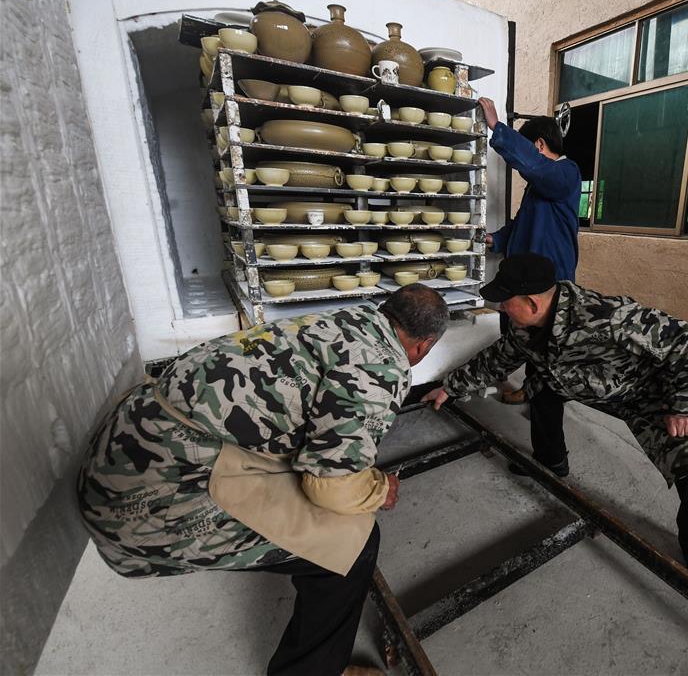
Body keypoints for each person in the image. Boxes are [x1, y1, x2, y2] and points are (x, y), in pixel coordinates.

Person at [77, 285, 450, 676]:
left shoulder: (344, 319)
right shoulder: (384, 366)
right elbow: (330, 486)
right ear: (423, 346)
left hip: (123, 446)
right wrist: (379, 489)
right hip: (143, 499)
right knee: (354, 544)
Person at [423, 254, 688, 590]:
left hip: (648, 394)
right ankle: (552, 461)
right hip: (588, 385)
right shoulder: (524, 329)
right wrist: (450, 387)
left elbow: (681, 338)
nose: (502, 308)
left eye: (506, 301)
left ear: (532, 303)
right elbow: (496, 359)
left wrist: (685, 405)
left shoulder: (606, 317)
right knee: (541, 385)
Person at [478, 97, 581, 405]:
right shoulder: (540, 185)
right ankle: (529, 388)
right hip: (527, 278)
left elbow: (536, 168)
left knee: (546, 346)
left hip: (550, 280)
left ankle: (542, 397)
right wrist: (495, 239)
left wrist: (498, 128)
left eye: (525, 148)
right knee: (517, 332)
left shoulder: (566, 173)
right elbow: (524, 222)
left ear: (538, 145)